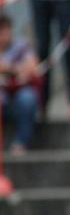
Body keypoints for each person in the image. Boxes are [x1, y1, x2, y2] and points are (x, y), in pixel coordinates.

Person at [0, 14, 39, 155]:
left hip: (16, 98)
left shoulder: (20, 46)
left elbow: (32, 66)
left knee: (27, 98)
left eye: (7, 30)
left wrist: (9, 68)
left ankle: (20, 143)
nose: (5, 35)